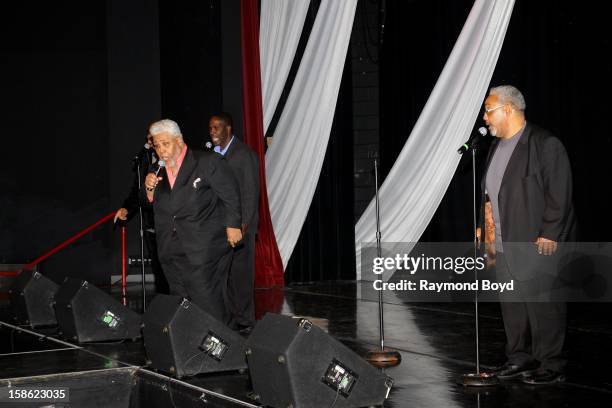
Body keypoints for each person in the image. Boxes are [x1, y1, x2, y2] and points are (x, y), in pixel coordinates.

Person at [478, 85, 576, 385]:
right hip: (504, 242)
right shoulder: (496, 147)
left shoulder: (544, 143)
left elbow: (560, 192)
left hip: (537, 241)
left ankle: (551, 364)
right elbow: (490, 193)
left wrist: (550, 232)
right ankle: (519, 357)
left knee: (542, 305)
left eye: (488, 110)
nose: (484, 118)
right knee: (512, 305)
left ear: (508, 109)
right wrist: (484, 225)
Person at [144, 119, 243, 322]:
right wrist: (148, 188)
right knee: (181, 304)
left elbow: (231, 194)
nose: (161, 150)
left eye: (166, 144)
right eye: (157, 145)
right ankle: (190, 346)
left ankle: (219, 346)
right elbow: (147, 202)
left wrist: (233, 225)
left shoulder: (206, 161)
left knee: (207, 302)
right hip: (170, 248)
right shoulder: (157, 169)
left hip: (203, 246)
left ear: (179, 141)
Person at [209, 113, 259, 333]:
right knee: (225, 277)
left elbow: (250, 192)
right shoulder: (215, 155)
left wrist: (243, 225)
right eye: (210, 128)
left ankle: (246, 321)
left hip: (241, 228)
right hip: (222, 226)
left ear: (228, 129)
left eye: (216, 127)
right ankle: (230, 319)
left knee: (241, 277)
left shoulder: (243, 154)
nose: (212, 132)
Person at [114, 132, 169, 294]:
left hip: (170, 225)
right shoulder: (145, 159)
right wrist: (126, 209)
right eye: (148, 138)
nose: (149, 141)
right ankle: (164, 310)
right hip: (151, 225)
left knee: (172, 273)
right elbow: (137, 191)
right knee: (159, 273)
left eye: (153, 138)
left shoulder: (170, 158)